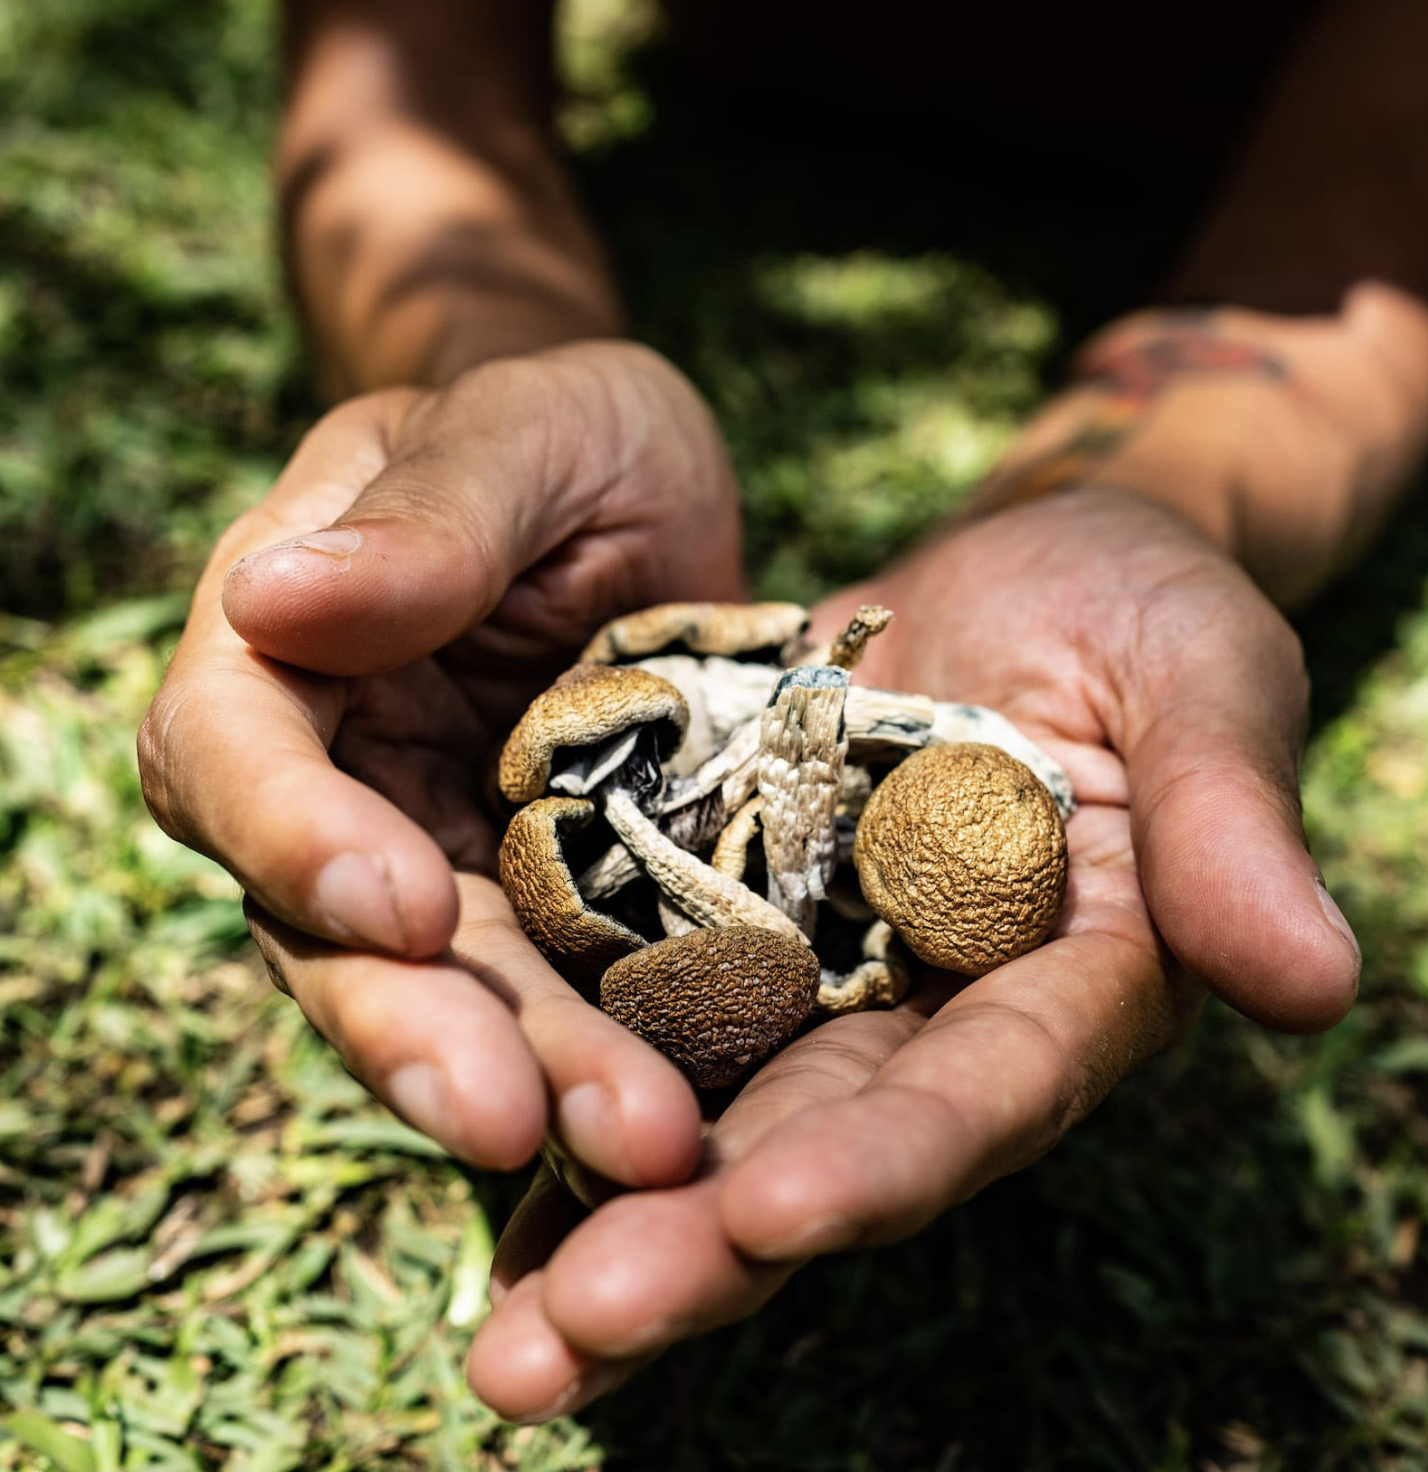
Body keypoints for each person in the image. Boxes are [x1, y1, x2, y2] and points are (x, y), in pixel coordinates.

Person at [138, 0, 1428, 1424]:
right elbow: (405, 110)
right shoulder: (668, 741)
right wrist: (499, 407)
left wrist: (1148, 508)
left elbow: (1365, 236)